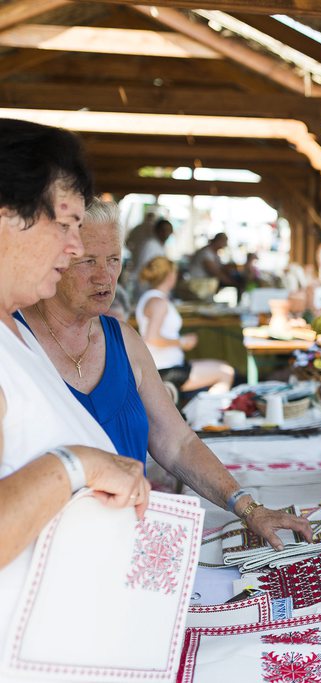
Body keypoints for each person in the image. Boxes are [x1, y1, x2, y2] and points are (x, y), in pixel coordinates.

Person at [19, 199, 311, 547]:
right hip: (37, 558)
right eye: (87, 261)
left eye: (114, 260)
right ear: (53, 259)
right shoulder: (14, 343)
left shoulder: (123, 340)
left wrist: (248, 508)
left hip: (124, 545)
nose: (105, 276)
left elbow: (178, 442)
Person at [0, 118, 149, 651]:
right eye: (64, 226)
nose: (71, 249)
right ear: (6, 218)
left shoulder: (13, 332)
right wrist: (77, 464)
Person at [136, 256, 234, 394]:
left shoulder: (148, 298)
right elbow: (151, 338)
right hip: (166, 370)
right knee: (226, 372)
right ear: (170, 275)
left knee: (223, 368)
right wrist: (182, 342)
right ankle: (209, 413)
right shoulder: (158, 302)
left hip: (165, 366)